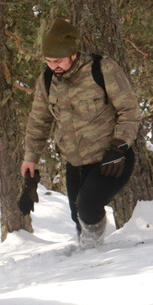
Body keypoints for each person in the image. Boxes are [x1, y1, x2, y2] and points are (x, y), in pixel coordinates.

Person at [21, 18, 141, 241]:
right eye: (48, 60)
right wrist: (31, 160)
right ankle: (91, 251)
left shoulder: (101, 69)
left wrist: (119, 147)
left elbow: (130, 111)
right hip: (75, 162)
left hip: (111, 159)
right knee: (78, 216)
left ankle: (92, 251)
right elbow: (39, 122)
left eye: (58, 60)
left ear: (73, 54)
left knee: (87, 208)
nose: (53, 65)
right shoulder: (47, 80)